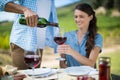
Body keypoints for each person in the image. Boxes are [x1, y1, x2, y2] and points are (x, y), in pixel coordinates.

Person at [0, 0, 59, 69]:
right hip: (22, 42)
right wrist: (25, 10)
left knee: (34, 76)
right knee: (22, 76)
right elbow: (1, 3)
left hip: (39, 43)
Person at [57, 3, 103, 68]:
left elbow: (91, 63)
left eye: (81, 16)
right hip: (70, 76)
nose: (77, 20)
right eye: (76, 16)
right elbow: (62, 64)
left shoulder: (97, 37)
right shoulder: (66, 36)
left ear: (90, 17)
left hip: (88, 77)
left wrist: (72, 52)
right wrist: (72, 73)